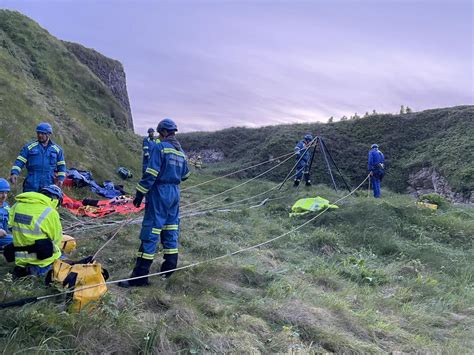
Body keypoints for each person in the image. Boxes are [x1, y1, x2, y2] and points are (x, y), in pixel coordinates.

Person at [119, 118, 190, 288]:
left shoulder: (159, 147)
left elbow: (151, 173)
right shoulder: (181, 152)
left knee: (151, 230)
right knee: (171, 228)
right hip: (175, 193)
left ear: (164, 132)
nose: (158, 136)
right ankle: (168, 269)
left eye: (159, 133)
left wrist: (139, 193)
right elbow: (186, 175)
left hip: (160, 192)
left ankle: (139, 278)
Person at [5, 185, 64, 277]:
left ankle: (23, 270)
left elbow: (9, 226)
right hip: (41, 260)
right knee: (61, 257)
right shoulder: (50, 212)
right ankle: (36, 271)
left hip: (20, 259)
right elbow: (56, 240)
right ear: (56, 199)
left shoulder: (17, 205)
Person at [10, 122, 66, 192]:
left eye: (42, 133)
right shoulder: (29, 147)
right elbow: (20, 161)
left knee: (45, 202)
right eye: (38, 133)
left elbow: (62, 166)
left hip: (49, 184)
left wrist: (61, 179)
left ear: (48, 134)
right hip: (31, 183)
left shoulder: (57, 149)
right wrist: (14, 173)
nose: (40, 135)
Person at [0, 178, 13, 251]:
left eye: (6, 193)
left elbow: (11, 223)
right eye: (1, 193)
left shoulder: (6, 206)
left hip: (4, 237)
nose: (4, 196)